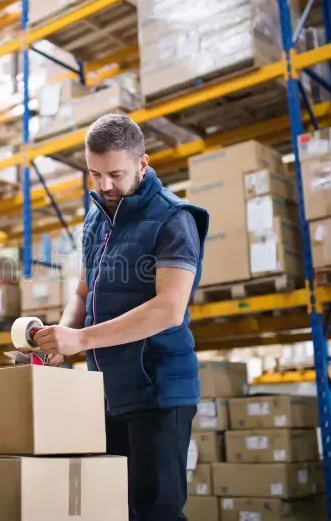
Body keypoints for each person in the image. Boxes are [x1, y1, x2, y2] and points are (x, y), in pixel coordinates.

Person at [33, 114, 209, 521]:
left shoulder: (174, 220)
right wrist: (60, 336)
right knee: (113, 510)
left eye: (116, 174)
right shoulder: (97, 217)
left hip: (159, 393)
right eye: (95, 174)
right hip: (110, 395)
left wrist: (82, 340)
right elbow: (83, 292)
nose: (105, 185)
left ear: (143, 165)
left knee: (155, 513)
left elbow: (169, 309)